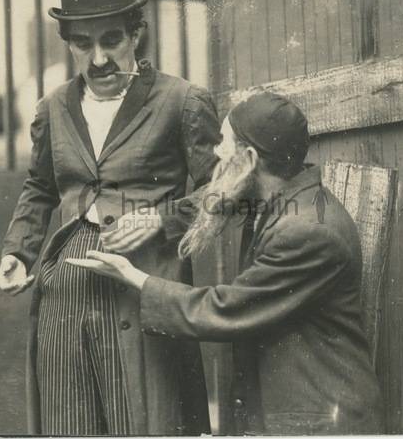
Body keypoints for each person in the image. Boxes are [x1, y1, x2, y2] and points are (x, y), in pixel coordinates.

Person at [69, 92, 386, 435]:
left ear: (249, 159)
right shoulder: (287, 194)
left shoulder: (307, 233)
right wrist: (160, 218)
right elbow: (219, 198)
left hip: (318, 421)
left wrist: (135, 278)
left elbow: (226, 308)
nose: (217, 151)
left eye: (224, 142)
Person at [0, 0, 220, 435]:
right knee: (68, 421)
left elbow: (224, 190)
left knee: (144, 420)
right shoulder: (52, 108)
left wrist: (161, 218)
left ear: (135, 32)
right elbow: (40, 187)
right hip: (67, 287)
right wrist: (18, 251)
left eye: (112, 40)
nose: (98, 58)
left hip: (144, 284)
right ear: (69, 44)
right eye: (83, 43)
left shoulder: (182, 100)